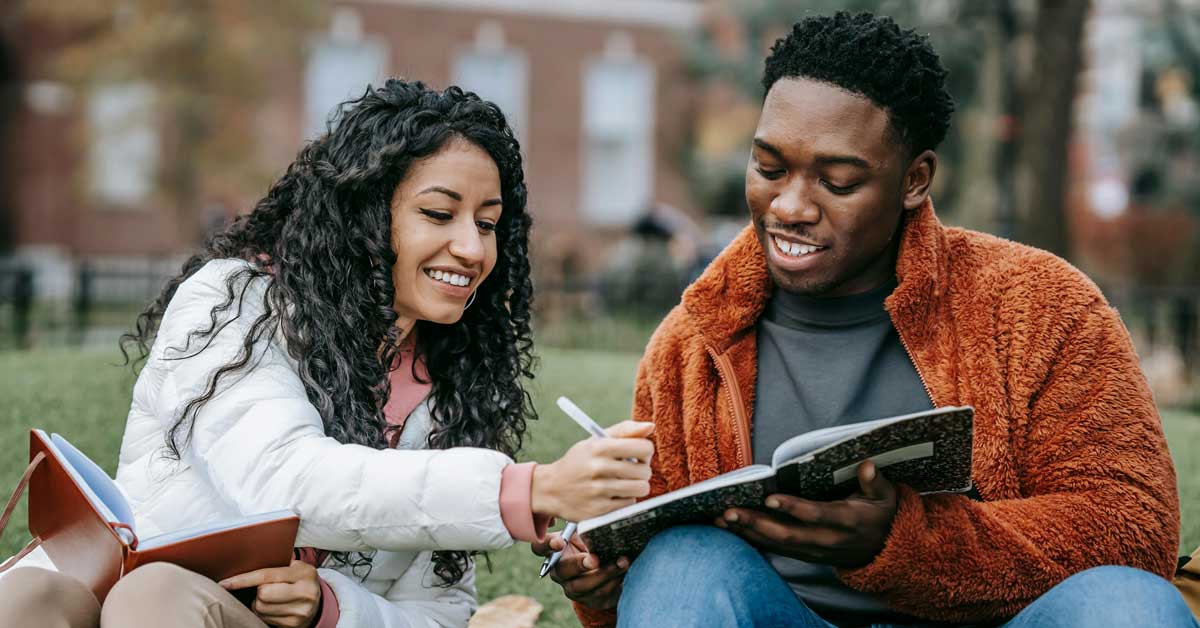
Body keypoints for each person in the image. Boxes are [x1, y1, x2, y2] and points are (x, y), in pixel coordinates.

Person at [536, 12, 1194, 628]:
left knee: (1129, 604)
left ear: (914, 180)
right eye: (769, 167)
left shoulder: (1040, 308)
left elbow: (1131, 528)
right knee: (680, 563)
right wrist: (602, 581)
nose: (790, 205)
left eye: (839, 181)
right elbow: (666, 594)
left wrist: (907, 544)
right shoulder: (693, 343)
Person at [0, 79, 654, 628]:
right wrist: (528, 489)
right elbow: (285, 483)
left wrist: (333, 605)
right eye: (439, 213)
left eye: (487, 223)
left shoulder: (454, 380)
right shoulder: (236, 302)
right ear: (365, 215)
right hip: (118, 589)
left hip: (176, 609)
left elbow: (438, 613)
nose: (473, 248)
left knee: (155, 599)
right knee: (30, 597)